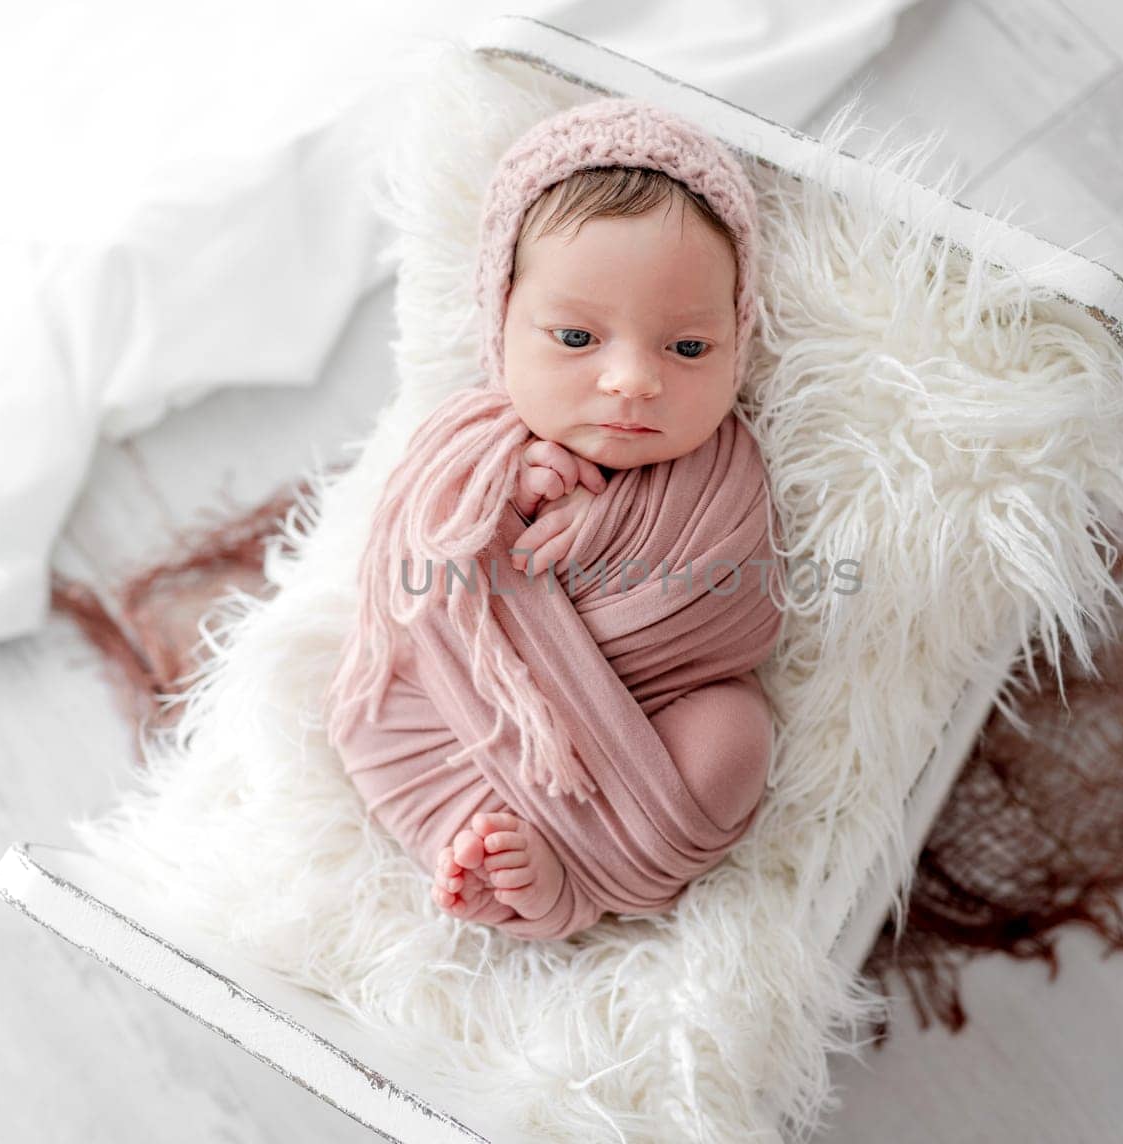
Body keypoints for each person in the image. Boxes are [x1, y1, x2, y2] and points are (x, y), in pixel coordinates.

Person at [324, 98, 785, 940]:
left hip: (654, 708)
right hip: (461, 712)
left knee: (735, 739)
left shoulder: (723, 468)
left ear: (738, 342)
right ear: (501, 323)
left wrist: (609, 533)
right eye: (577, 337)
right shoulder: (469, 448)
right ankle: (508, 862)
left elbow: (741, 596)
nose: (631, 381)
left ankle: (562, 882)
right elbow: (417, 570)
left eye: (687, 348)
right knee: (384, 709)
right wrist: (501, 495)